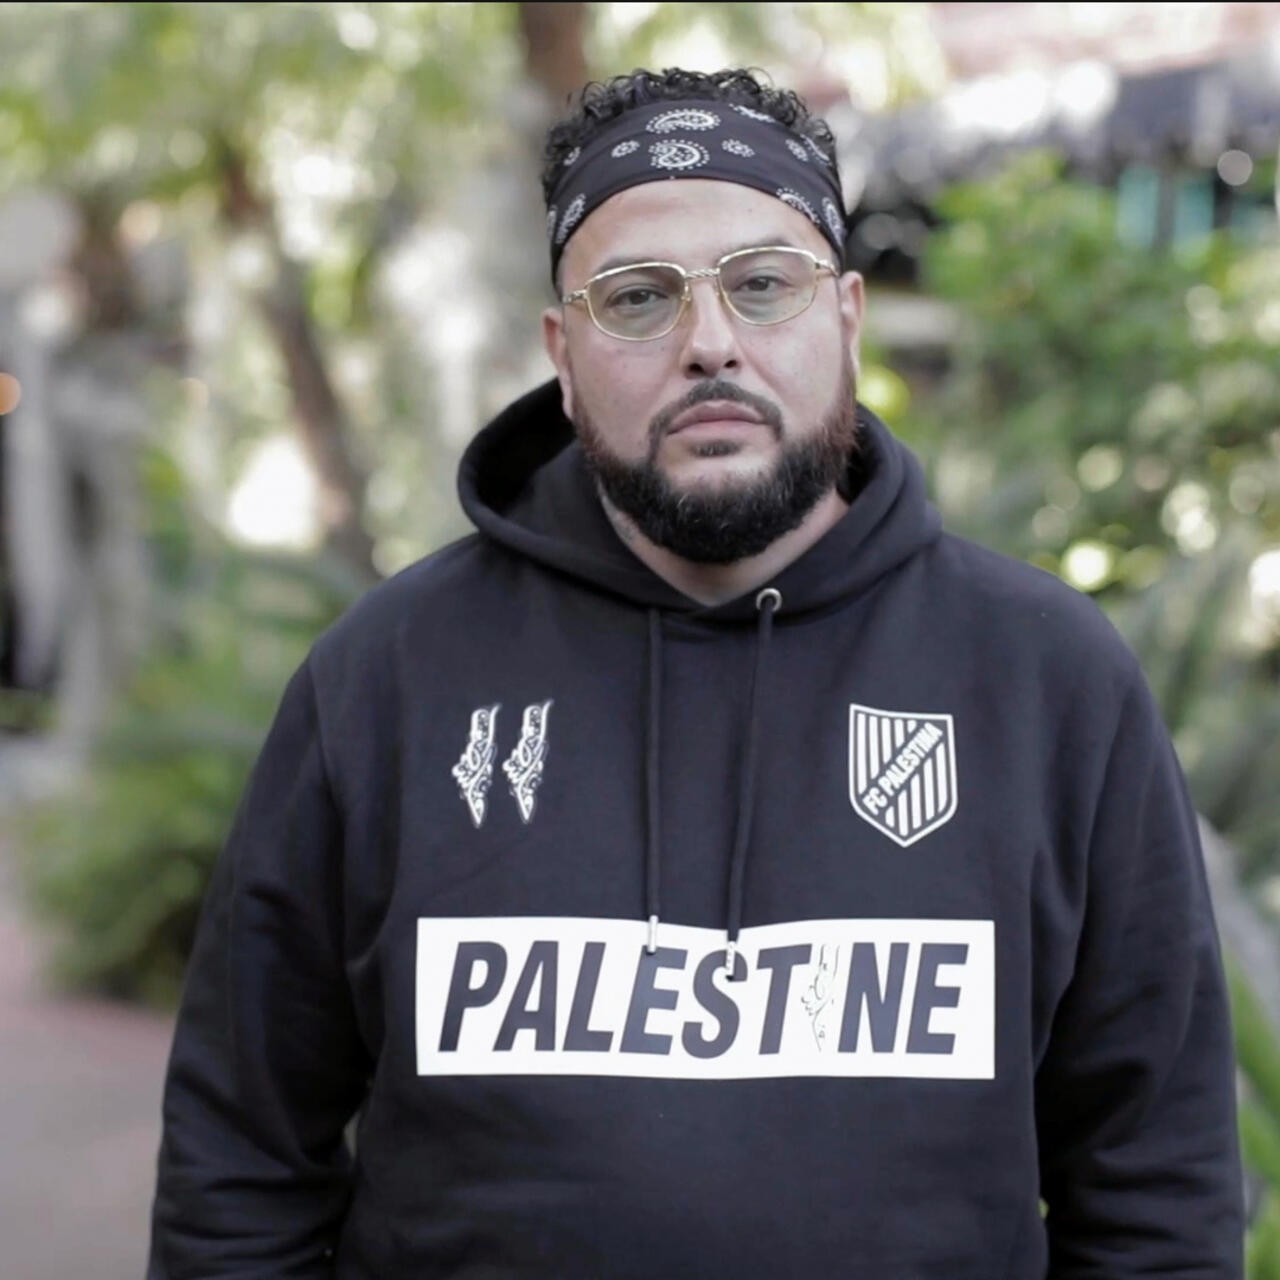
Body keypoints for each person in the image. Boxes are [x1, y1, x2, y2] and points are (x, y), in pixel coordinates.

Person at [148, 66, 1244, 1278]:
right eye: (637, 298)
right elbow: (237, 1170)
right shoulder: (385, 680)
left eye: (762, 283)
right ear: (563, 355)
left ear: (845, 318)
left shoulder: (1046, 681)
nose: (708, 343)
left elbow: (1156, 1193)